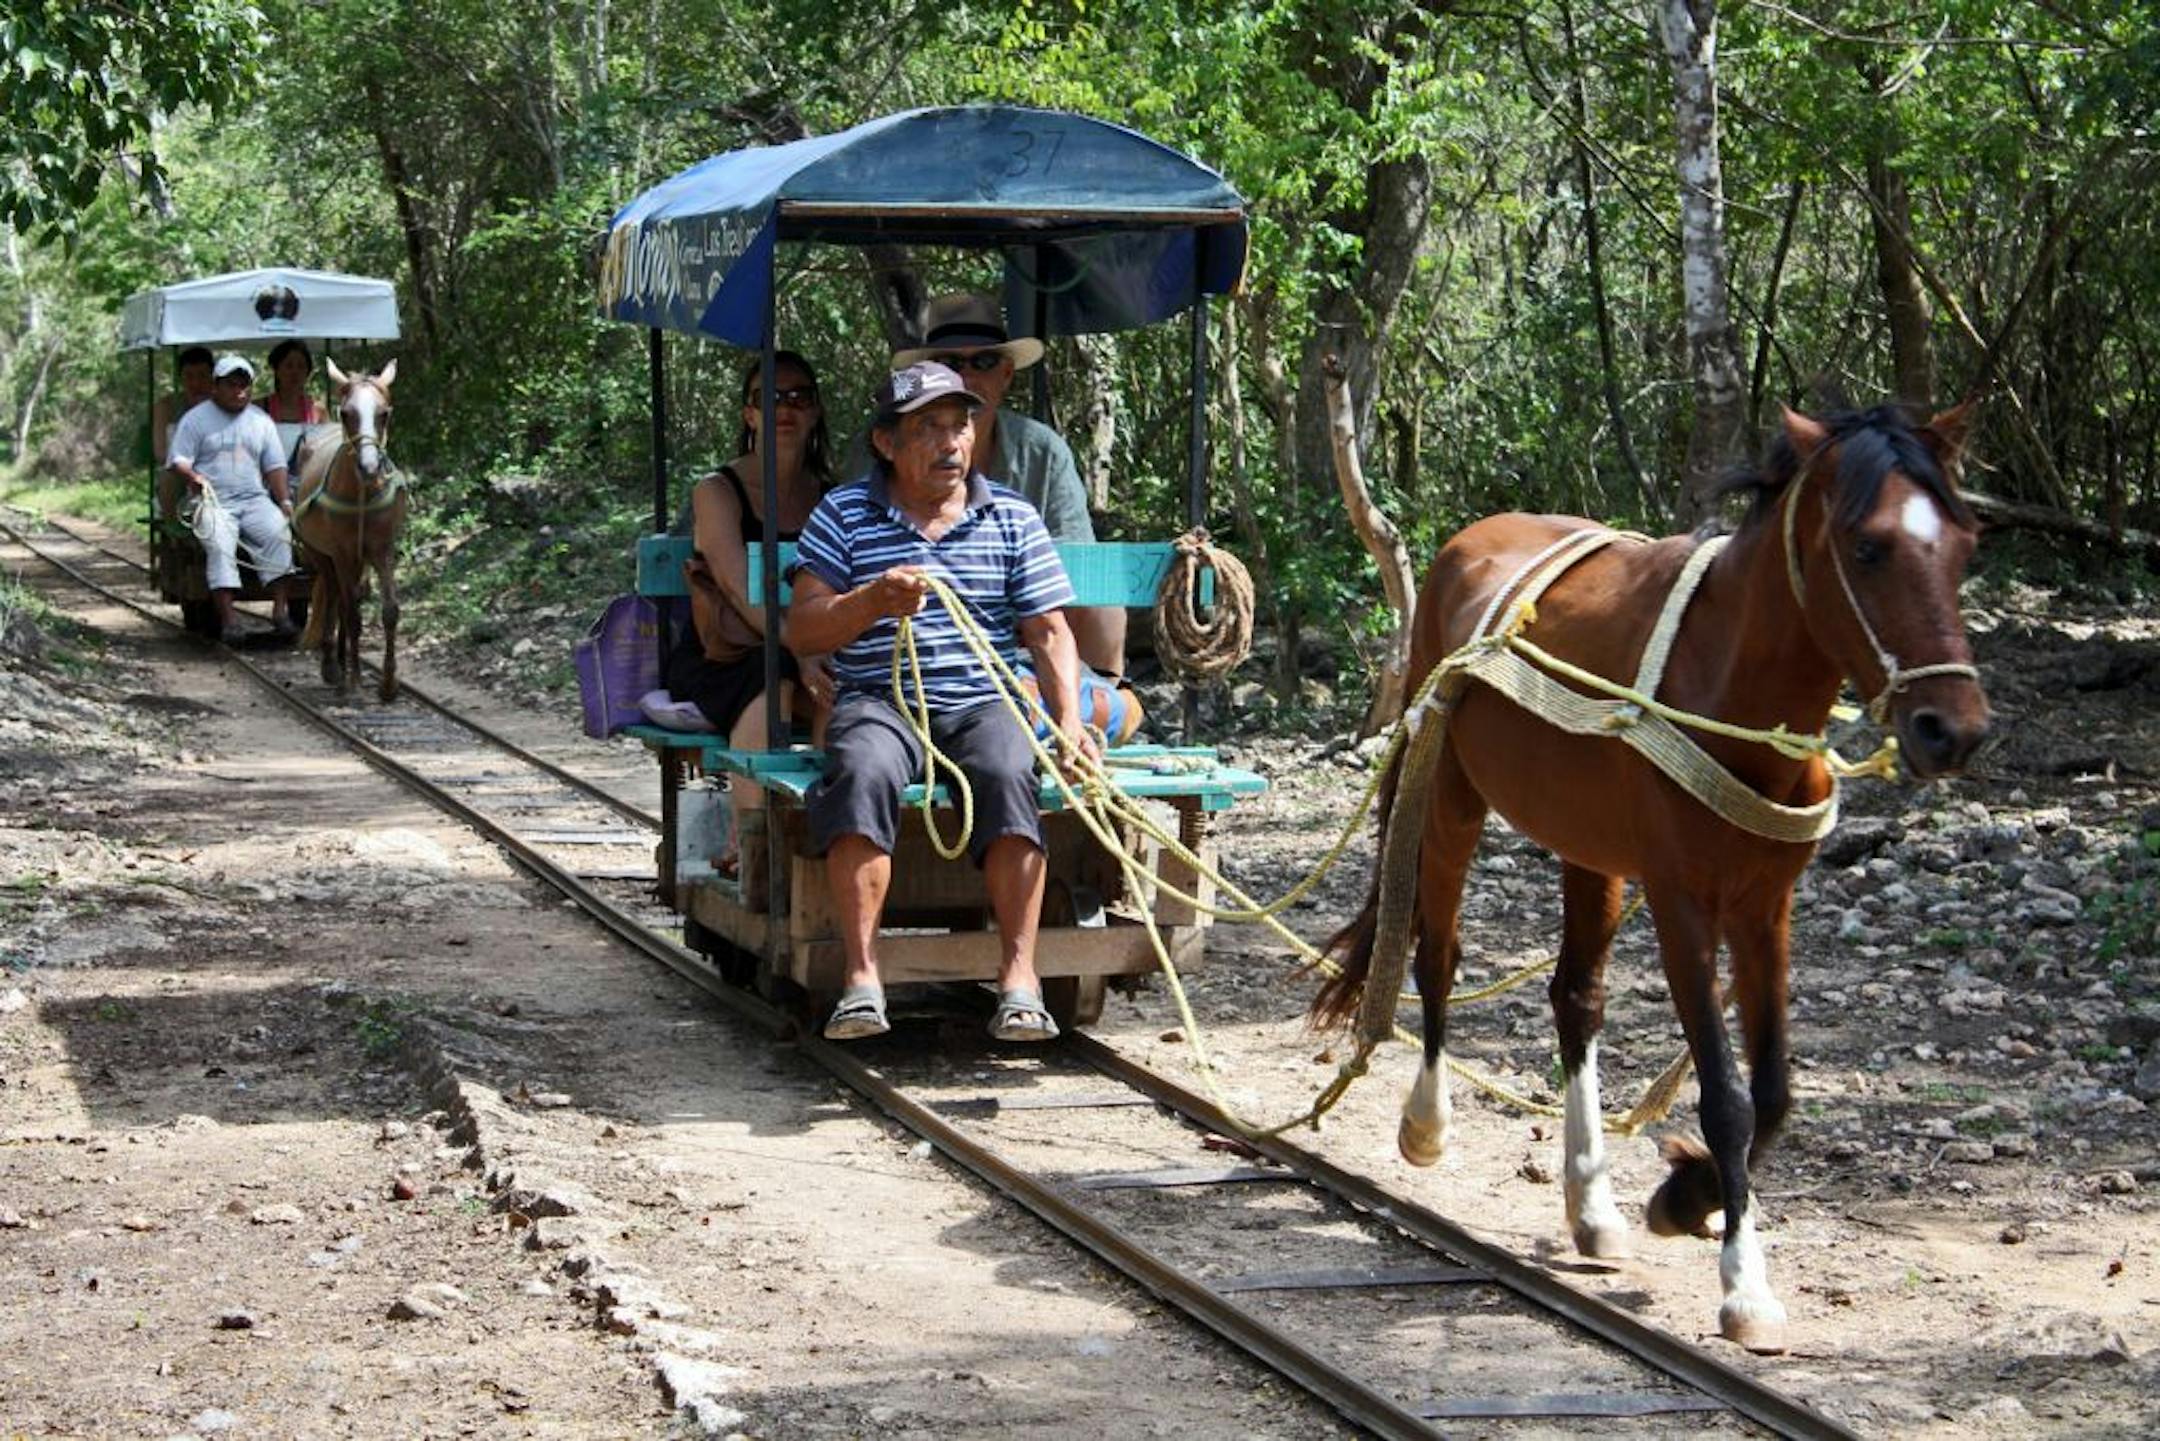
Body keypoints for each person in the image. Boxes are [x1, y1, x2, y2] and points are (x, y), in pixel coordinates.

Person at [785, 361, 1098, 1044]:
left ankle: (1020, 980)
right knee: (861, 769)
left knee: (1010, 768)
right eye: (928, 428)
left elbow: (1049, 631)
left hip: (982, 700)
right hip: (879, 699)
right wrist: (871, 601)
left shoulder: (1011, 515)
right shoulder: (843, 513)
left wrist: (1070, 722)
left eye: (960, 425)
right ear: (885, 443)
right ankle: (862, 980)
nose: (950, 443)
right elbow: (803, 627)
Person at [644, 350, 836, 870]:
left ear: (816, 411)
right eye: (769, 399)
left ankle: (830, 825)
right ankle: (749, 840)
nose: (785, 409)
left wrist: (818, 649)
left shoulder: (833, 496)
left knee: (844, 682)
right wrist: (805, 648)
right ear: (749, 414)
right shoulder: (717, 491)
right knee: (776, 672)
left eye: (798, 397)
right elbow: (738, 589)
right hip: (725, 657)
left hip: (810, 647)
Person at [877, 292, 1128, 679]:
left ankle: (1095, 709)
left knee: (1106, 605)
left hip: (1026, 623)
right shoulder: (884, 447)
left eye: (984, 361)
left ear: (1006, 373)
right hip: (920, 629)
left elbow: (1073, 564)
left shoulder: (1043, 452)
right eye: (950, 363)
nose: (968, 376)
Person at [165, 355, 297, 644]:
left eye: (244, 385)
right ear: (216, 387)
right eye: (231, 384)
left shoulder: (260, 421)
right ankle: (230, 620)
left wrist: (285, 501)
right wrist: (194, 477)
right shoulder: (196, 419)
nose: (239, 390)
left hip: (254, 500)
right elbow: (178, 459)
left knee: (278, 532)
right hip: (213, 502)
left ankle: (280, 611)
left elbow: (275, 466)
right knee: (219, 541)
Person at [152, 346, 215, 523]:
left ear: (212, 377)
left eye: (202, 376)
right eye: (189, 376)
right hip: (179, 470)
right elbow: (161, 453)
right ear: (181, 378)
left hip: (217, 468)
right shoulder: (166, 407)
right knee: (168, 478)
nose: (196, 383)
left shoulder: (223, 405)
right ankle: (176, 532)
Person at [258, 339, 325, 468]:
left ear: (308, 372)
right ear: (276, 370)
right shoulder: (259, 408)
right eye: (289, 366)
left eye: (301, 366)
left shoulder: (318, 410)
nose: (295, 372)